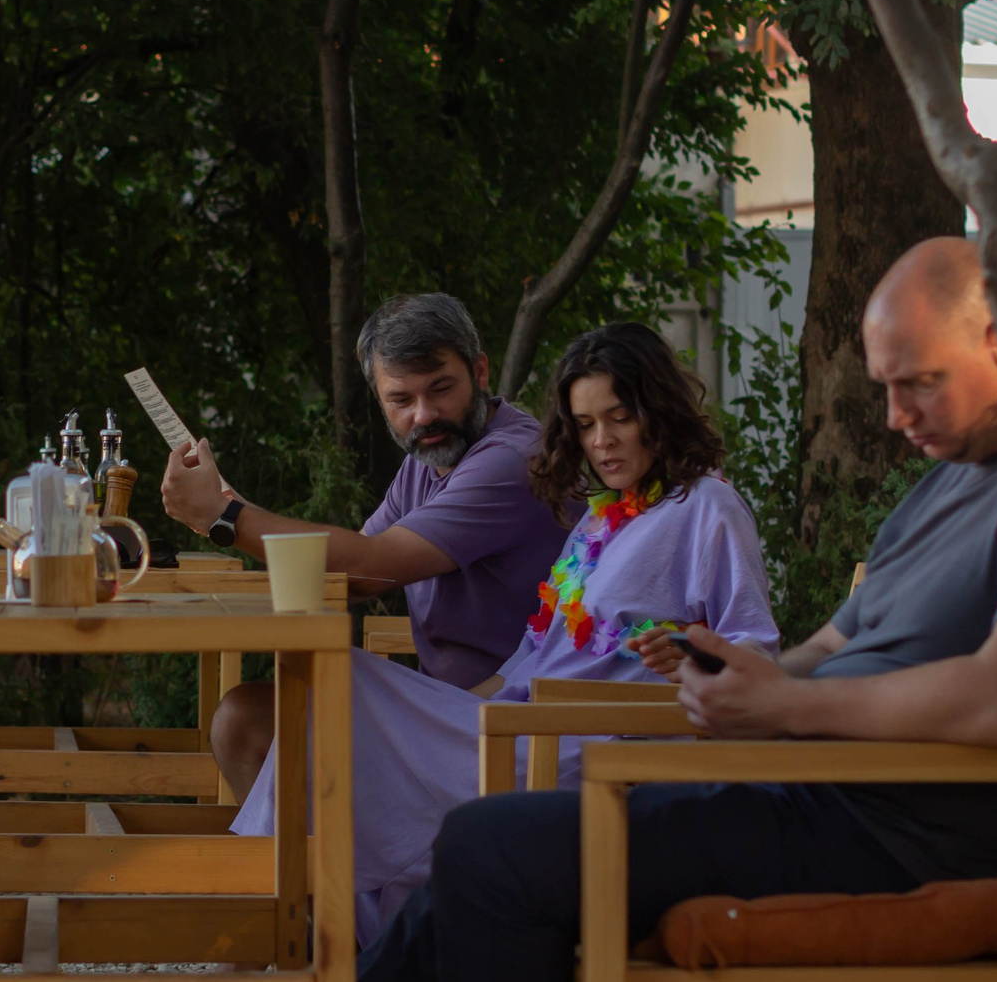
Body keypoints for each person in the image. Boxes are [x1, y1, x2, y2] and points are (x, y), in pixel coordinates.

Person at [0, 236, 997, 982]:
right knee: (470, 877)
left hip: (874, 825)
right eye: (885, 388)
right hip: (805, 784)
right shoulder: (947, 485)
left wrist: (791, 711)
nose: (898, 411)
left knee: (487, 852)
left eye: (920, 380)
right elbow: (827, 643)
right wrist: (755, 676)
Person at [228, 322, 779, 941]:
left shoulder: (706, 507)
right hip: (515, 725)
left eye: (620, 418)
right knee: (327, 689)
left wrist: (693, 655)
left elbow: (757, 648)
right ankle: (307, 927)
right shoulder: (601, 520)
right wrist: (447, 715)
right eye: (585, 424)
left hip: (581, 750)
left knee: (343, 683)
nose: (603, 443)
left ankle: (260, 921)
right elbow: (527, 658)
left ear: (661, 410)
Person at [161, 292, 568, 794]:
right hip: (450, 713)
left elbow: (372, 565)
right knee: (249, 717)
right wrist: (225, 503)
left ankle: (320, 871)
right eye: (401, 400)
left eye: (440, 389)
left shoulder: (511, 460)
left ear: (480, 373)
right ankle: (323, 869)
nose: (423, 415)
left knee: (247, 720)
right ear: (379, 399)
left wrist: (226, 518)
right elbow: (351, 576)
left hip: (514, 723)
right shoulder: (429, 460)